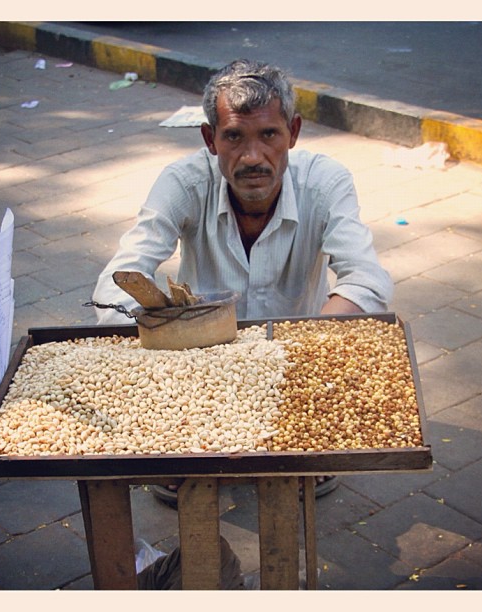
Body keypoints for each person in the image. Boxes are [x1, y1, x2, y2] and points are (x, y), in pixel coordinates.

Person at [92, 59, 393, 504]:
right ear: (210, 139)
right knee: (156, 388)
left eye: (268, 135)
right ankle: (182, 442)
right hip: (202, 362)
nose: (253, 158)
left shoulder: (326, 182)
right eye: (234, 137)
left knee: (345, 341)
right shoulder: (182, 182)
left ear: (292, 132)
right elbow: (120, 277)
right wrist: (152, 338)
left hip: (296, 357)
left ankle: (306, 441)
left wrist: (312, 345)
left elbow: (366, 280)